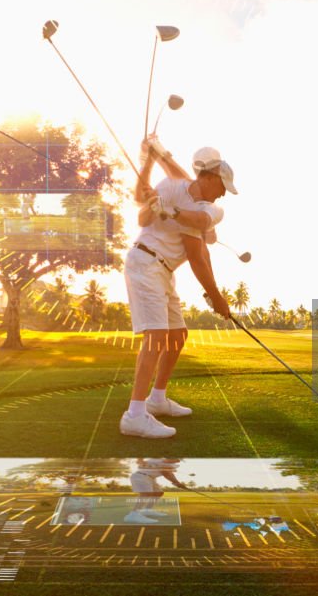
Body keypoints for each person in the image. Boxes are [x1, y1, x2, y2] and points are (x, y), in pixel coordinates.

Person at [119, 137, 236, 438]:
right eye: (222, 187)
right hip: (145, 261)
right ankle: (134, 414)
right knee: (157, 336)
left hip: (164, 271)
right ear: (210, 177)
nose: (223, 195)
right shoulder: (173, 187)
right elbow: (141, 213)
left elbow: (200, 256)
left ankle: (157, 399)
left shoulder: (207, 211)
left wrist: (217, 296)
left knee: (177, 335)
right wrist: (151, 200)